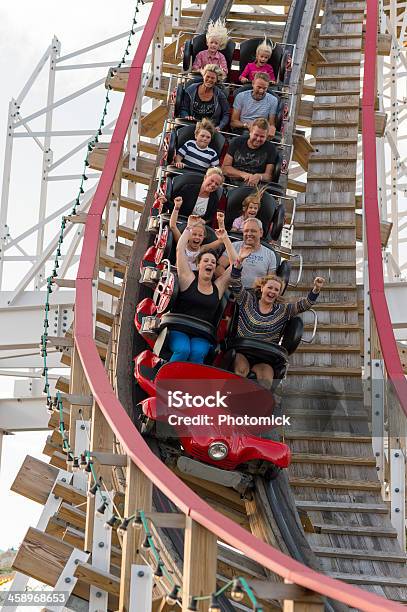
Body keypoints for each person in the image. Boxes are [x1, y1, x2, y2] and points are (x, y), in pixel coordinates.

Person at [230, 264, 325, 387]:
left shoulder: (283, 310)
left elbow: (305, 305)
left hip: (265, 356)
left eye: (276, 290)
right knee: (240, 371)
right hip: (243, 350)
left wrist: (316, 289)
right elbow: (235, 284)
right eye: (270, 288)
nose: (272, 292)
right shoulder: (247, 300)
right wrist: (238, 264)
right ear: (262, 287)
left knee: (266, 382)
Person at [168, 215, 238, 363]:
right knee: (183, 349)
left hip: (201, 332)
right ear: (198, 265)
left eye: (213, 262)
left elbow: (235, 266)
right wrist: (188, 227)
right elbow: (180, 250)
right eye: (206, 260)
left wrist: (225, 238)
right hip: (179, 327)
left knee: (197, 352)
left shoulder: (218, 287)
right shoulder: (187, 278)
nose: (210, 264)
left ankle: (191, 384)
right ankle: (169, 381)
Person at [216, 217, 276, 288]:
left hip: (255, 294)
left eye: (253, 231)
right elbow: (219, 267)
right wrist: (230, 282)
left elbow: (271, 280)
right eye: (246, 231)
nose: (249, 234)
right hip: (231, 290)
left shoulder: (270, 254)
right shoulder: (234, 246)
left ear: (261, 233)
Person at [222, 118, 278, 188]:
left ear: (266, 137)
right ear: (250, 132)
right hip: (230, 182)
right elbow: (225, 168)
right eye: (256, 135)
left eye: (262, 136)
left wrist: (259, 176)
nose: (258, 139)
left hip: (253, 186)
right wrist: (243, 174)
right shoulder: (237, 142)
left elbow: (268, 176)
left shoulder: (271, 149)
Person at [169, 203, 227, 270]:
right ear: (188, 235)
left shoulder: (203, 249)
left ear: (204, 237)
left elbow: (221, 239)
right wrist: (176, 207)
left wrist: (221, 222)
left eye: (200, 235)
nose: (197, 237)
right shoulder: (182, 244)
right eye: (194, 234)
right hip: (178, 273)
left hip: (194, 277)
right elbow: (173, 226)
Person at [179, 65, 229, 131]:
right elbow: (183, 108)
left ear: (216, 80)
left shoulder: (220, 95)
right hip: (191, 125)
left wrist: (220, 126)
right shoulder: (191, 89)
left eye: (213, 78)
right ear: (203, 76)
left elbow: (226, 114)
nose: (209, 80)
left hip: (210, 129)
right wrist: (186, 116)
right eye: (207, 77)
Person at [231, 73, 278, 138]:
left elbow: (271, 123)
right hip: (243, 129)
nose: (261, 91)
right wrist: (247, 125)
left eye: (264, 88)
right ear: (253, 84)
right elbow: (233, 122)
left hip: (262, 130)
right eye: (259, 87)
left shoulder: (273, 100)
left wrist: (272, 128)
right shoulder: (241, 96)